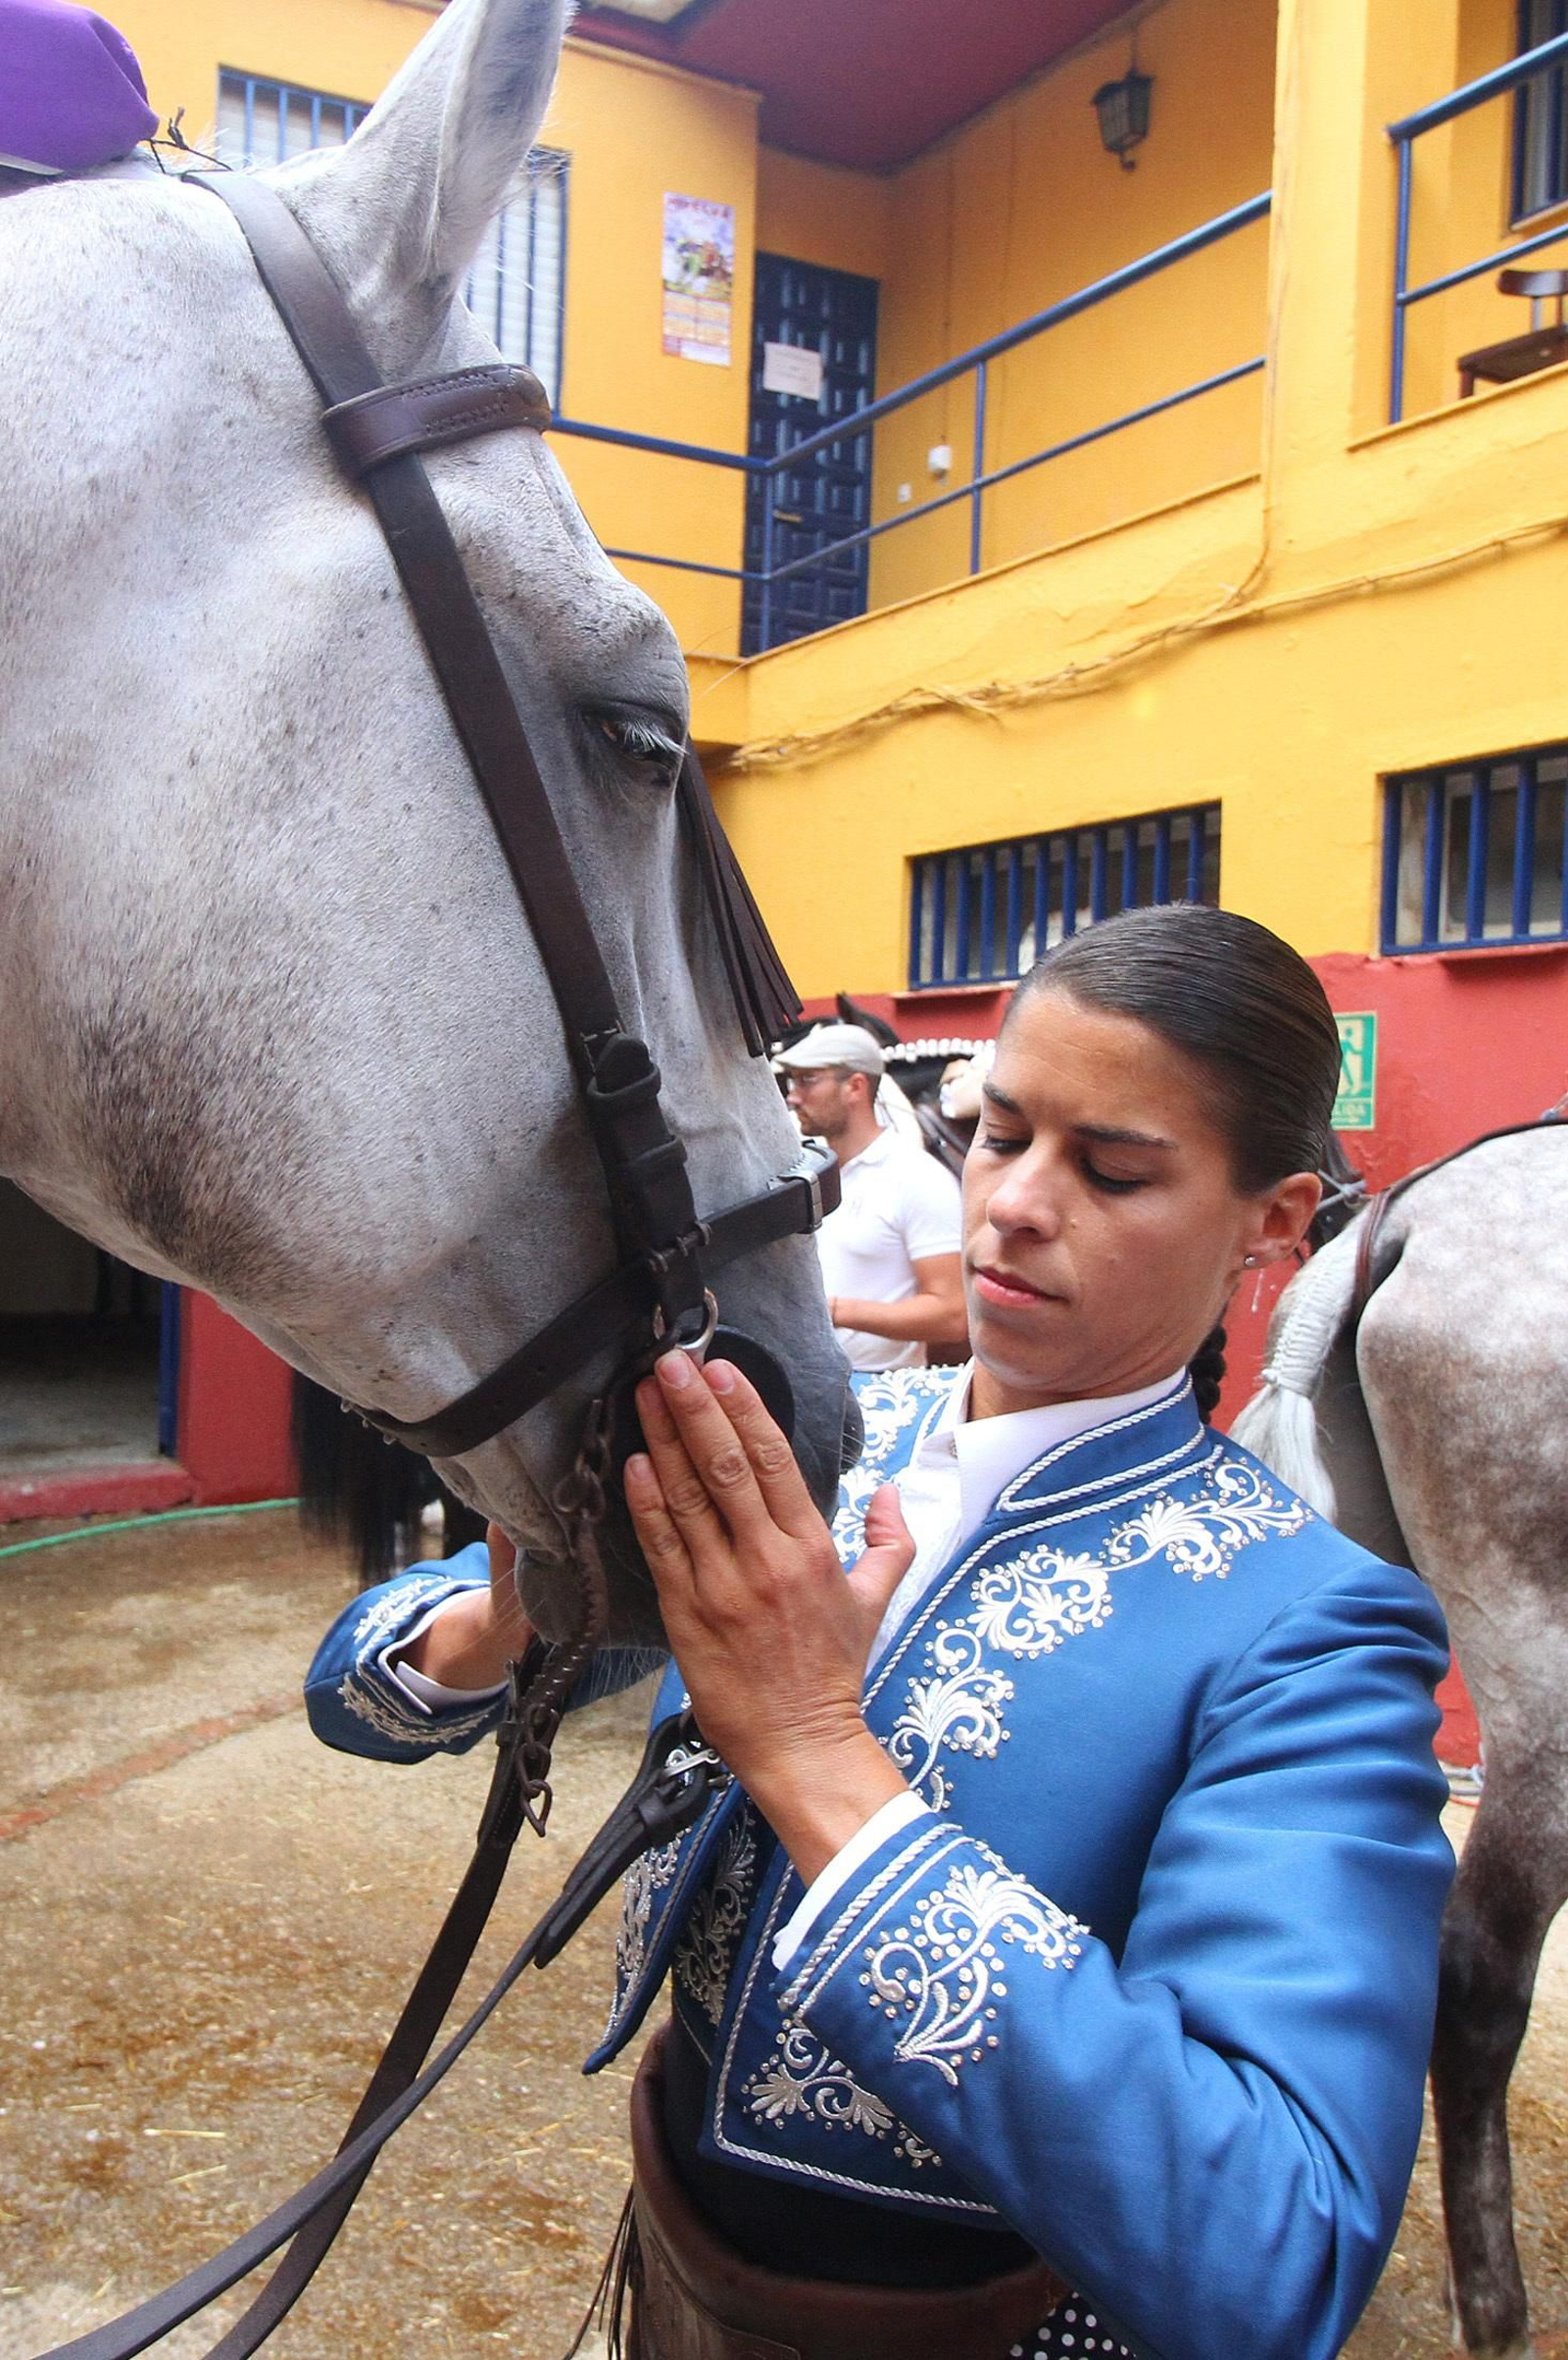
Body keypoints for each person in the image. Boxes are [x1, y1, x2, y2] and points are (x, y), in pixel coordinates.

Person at [306, 905, 1454, 2360]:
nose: (1017, 1203)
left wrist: (809, 1749)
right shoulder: (821, 1448)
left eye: (1112, 1169)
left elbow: (1271, 2253)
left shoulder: (1316, 1632)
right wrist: (496, 1622)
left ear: (1273, 1223)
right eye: (1002, 1131)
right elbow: (352, 1705)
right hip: (673, 2257)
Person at [773, 1021, 966, 1371]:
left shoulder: (917, 1177)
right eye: (792, 1081)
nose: (793, 1095)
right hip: (805, 1383)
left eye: (808, 1080)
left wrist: (832, 1311)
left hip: (878, 1392)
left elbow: (952, 1314)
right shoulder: (806, 1169)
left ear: (855, 1087)